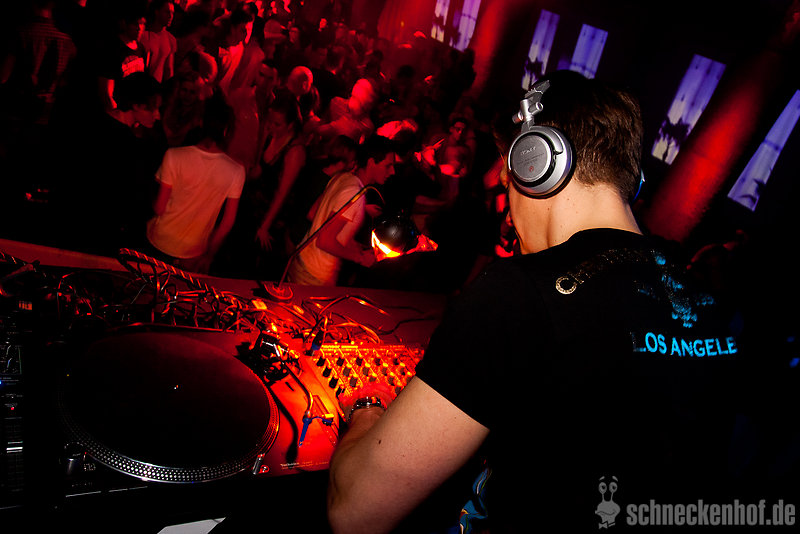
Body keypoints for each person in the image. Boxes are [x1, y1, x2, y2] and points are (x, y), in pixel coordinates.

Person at [326, 71, 746, 533]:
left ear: (537, 164)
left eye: (509, 179)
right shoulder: (711, 309)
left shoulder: (518, 295)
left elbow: (354, 511)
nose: (509, 210)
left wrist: (366, 409)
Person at [146, 90, 245, 274]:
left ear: (200, 123)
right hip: (193, 249)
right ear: (226, 130)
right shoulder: (236, 171)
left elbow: (159, 208)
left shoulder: (174, 156)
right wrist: (210, 254)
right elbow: (227, 222)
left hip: (161, 240)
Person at [287, 134, 396, 286]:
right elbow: (324, 241)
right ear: (371, 162)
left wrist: (356, 246)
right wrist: (360, 258)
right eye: (388, 166)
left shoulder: (343, 177)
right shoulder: (354, 194)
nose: (392, 172)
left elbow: (313, 214)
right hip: (314, 275)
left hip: (302, 263)